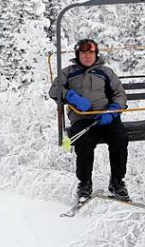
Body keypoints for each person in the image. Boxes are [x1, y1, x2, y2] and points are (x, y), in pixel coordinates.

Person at [49, 39, 129, 200]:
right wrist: (70, 96)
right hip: (82, 118)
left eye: (90, 53)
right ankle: (85, 183)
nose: (87, 57)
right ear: (77, 55)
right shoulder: (68, 73)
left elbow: (120, 94)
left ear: (95, 54)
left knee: (120, 138)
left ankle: (117, 182)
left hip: (106, 117)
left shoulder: (106, 72)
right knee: (84, 141)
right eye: (83, 53)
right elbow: (54, 89)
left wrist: (112, 111)